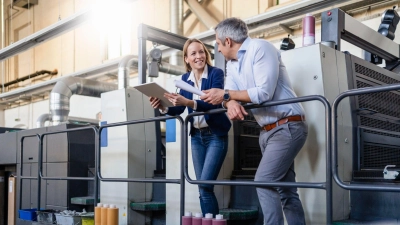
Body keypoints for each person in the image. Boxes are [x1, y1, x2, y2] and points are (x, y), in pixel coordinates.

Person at [201, 18, 308, 225]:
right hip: (267, 131)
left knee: (264, 181)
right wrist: (229, 101)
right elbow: (230, 94)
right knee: (286, 191)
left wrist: (225, 94)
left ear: (228, 41)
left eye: (218, 43)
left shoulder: (261, 48)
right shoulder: (232, 65)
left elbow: (263, 93)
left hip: (287, 125)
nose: (218, 48)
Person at [149, 38, 231, 217]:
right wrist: (162, 106)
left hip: (216, 135)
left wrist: (188, 102)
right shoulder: (184, 79)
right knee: (201, 188)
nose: (199, 56)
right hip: (197, 138)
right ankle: (211, 221)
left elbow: (214, 103)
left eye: (201, 52)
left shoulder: (216, 73)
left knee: (205, 185)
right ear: (186, 59)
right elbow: (179, 108)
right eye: (193, 53)